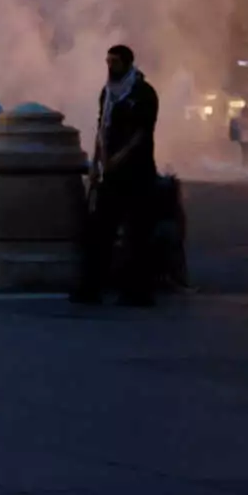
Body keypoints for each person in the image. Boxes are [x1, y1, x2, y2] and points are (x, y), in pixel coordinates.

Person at [73, 44, 160, 306]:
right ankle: (91, 288)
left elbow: (143, 133)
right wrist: (96, 162)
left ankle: (137, 292)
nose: (110, 67)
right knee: (100, 231)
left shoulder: (143, 92)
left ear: (127, 63)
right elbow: (102, 127)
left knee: (137, 234)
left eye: (115, 62)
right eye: (107, 61)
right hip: (111, 174)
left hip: (138, 171)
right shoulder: (108, 93)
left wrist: (117, 159)